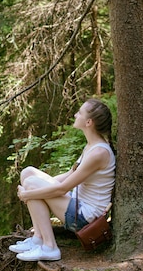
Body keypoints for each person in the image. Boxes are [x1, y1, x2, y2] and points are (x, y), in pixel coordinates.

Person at [9, 98, 115, 262]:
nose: (75, 115)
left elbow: (62, 189)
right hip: (76, 204)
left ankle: (50, 247)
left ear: (88, 122)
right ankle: (38, 238)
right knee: (28, 173)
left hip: (85, 217)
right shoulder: (91, 146)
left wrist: (29, 194)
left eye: (79, 113)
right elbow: (69, 175)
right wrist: (38, 186)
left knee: (31, 184)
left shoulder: (99, 153)